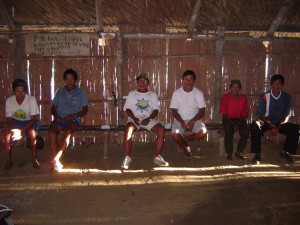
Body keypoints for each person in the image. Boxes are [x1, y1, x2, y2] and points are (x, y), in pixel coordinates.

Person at [121, 73, 169, 169]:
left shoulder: (152, 95)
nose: (142, 83)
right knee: (128, 129)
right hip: (134, 119)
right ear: (137, 82)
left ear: (148, 83)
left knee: (161, 129)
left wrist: (149, 119)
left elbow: (155, 110)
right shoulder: (132, 94)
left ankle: (157, 156)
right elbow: (127, 109)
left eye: (145, 81)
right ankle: (128, 156)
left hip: (148, 119)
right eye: (140, 81)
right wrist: (134, 118)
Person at [250, 74, 299, 163]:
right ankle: (257, 154)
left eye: (279, 83)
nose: (276, 85)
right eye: (274, 83)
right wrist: (272, 127)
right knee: (254, 126)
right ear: (271, 85)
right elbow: (261, 115)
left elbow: (286, 115)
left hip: (279, 123)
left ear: (282, 85)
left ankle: (285, 152)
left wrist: (278, 127)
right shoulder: (265, 96)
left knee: (295, 128)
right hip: (266, 122)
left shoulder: (286, 97)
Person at [49, 69, 88, 171]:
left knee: (67, 133)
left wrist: (73, 116)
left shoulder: (81, 92)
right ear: (64, 80)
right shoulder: (59, 91)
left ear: (75, 80)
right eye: (67, 78)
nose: (69, 81)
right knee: (52, 134)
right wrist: (56, 115)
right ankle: (56, 162)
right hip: (60, 118)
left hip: (72, 120)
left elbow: (85, 110)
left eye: (71, 79)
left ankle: (56, 159)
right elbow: (53, 108)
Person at [4, 78, 41, 169]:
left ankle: (34, 159)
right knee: (6, 134)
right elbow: (8, 119)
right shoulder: (9, 101)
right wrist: (13, 130)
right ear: (14, 91)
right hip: (15, 122)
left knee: (32, 133)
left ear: (25, 91)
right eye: (17, 91)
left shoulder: (31, 100)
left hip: (29, 122)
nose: (20, 94)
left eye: (22, 91)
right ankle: (9, 160)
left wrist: (21, 130)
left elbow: (33, 119)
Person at [170, 70, 207, 157]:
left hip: (195, 119)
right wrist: (182, 122)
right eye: (186, 79)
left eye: (191, 79)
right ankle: (186, 146)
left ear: (194, 81)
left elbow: (202, 110)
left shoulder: (198, 93)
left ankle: (185, 140)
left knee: (203, 132)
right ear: (182, 80)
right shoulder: (177, 93)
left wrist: (193, 120)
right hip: (180, 119)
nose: (188, 82)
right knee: (175, 135)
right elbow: (174, 110)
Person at [219, 79, 249, 160]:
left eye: (237, 87)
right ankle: (229, 153)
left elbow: (244, 114)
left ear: (240, 88)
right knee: (228, 131)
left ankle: (238, 152)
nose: (235, 89)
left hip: (239, 120)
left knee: (246, 132)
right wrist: (233, 124)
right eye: (233, 87)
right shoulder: (225, 97)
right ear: (230, 88)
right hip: (228, 119)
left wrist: (238, 124)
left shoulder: (243, 98)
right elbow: (224, 114)